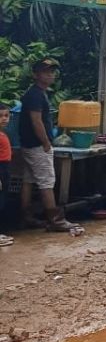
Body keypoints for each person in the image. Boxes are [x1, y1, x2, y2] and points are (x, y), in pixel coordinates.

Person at [19, 59, 79, 233]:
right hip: (37, 145)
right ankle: (55, 220)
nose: (50, 75)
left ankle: (26, 217)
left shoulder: (36, 93)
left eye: (52, 72)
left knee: (29, 180)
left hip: (28, 144)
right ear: (36, 74)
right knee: (47, 181)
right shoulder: (36, 95)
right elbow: (36, 121)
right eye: (46, 72)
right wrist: (46, 142)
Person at [0, 103, 13, 246]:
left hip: (5, 169)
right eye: (0, 116)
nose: (4, 119)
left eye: (6, 116)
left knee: (2, 201)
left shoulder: (3, 134)